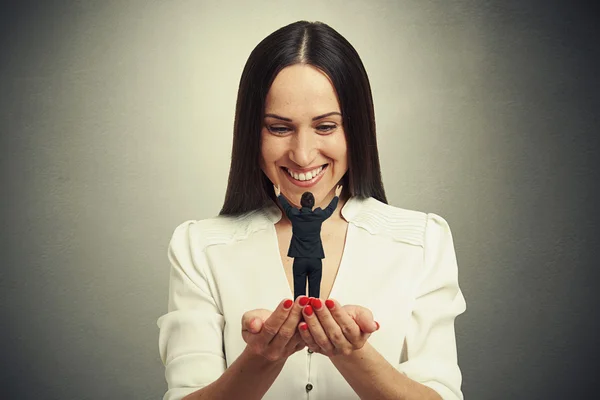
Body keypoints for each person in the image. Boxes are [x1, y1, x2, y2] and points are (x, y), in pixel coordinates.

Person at [157, 20, 466, 400]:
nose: (302, 155)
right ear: (252, 134)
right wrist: (260, 359)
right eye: (279, 128)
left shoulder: (422, 242)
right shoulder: (199, 247)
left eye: (325, 126)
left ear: (357, 131)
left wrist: (354, 355)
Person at [275, 185, 342, 299]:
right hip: (315, 258)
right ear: (313, 204)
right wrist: (336, 196)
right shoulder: (318, 216)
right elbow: (330, 209)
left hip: (299, 259)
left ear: (301, 202)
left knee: (299, 296)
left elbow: (285, 206)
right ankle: (313, 315)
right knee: (314, 295)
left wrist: (279, 195)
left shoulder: (294, 215)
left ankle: (299, 316)